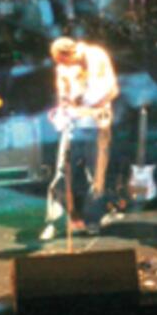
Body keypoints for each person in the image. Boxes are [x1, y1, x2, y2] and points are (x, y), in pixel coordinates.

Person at [42, 36, 119, 240]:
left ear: (70, 54)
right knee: (61, 171)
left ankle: (93, 220)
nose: (61, 65)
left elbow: (111, 89)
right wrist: (66, 105)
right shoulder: (63, 69)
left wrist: (87, 106)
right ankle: (55, 221)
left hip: (97, 124)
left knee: (97, 175)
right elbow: (63, 95)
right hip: (73, 124)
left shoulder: (97, 56)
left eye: (62, 60)